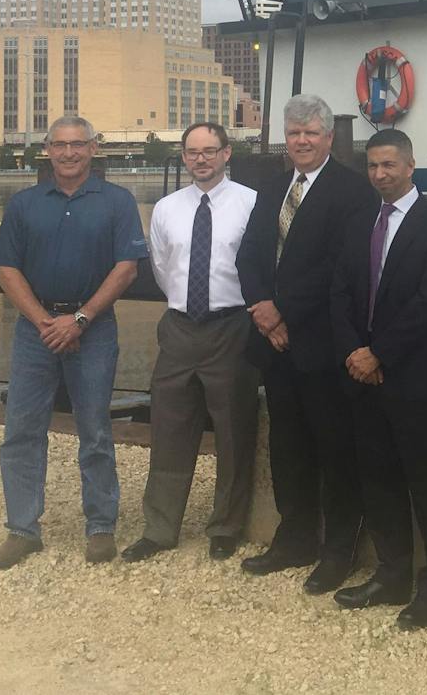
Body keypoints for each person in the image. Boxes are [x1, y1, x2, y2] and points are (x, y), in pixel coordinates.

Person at [0, 115, 147, 570]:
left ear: (94, 148)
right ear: (48, 149)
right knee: (22, 429)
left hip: (93, 328)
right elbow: (6, 272)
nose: (70, 153)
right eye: (60, 145)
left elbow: (127, 269)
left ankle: (100, 526)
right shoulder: (24, 205)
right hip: (35, 330)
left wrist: (78, 320)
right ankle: (22, 529)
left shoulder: (117, 202)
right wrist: (46, 323)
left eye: (78, 144)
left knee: (94, 429)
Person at [236, 93, 375, 593]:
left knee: (335, 450)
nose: (301, 141)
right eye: (294, 133)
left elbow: (340, 269)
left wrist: (286, 312)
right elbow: (249, 254)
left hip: (323, 345)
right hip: (275, 347)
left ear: (328, 138)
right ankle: (293, 537)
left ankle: (339, 550)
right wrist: (262, 310)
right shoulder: (272, 186)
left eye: (310, 133)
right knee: (287, 446)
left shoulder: (352, 192)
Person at [329, 129, 427, 629]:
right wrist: (352, 352)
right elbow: (338, 292)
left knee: (426, 482)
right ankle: (391, 575)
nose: (380, 174)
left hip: (412, 378)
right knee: (378, 479)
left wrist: (379, 353)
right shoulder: (358, 221)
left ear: (410, 165)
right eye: (372, 166)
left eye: (389, 165)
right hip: (361, 378)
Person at [121, 122, 260, 564]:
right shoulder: (165, 208)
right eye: (192, 152)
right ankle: (160, 528)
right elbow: (163, 268)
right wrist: (185, 303)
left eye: (210, 151)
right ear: (183, 157)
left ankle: (225, 526)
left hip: (232, 325)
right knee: (169, 427)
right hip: (180, 327)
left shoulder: (251, 204)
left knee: (234, 430)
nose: (201, 159)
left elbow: (259, 265)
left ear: (226, 154)